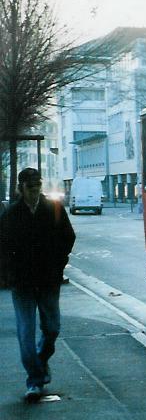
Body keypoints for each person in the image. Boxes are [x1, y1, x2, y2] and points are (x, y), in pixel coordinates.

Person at [0, 168, 76, 403]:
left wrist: (58, 265)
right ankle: (34, 380)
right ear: (21, 188)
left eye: (37, 187)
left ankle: (40, 362)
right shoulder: (11, 214)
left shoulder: (53, 209)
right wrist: (8, 274)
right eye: (30, 187)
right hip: (22, 283)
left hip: (47, 280)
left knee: (52, 328)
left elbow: (68, 237)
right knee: (25, 334)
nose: (35, 191)